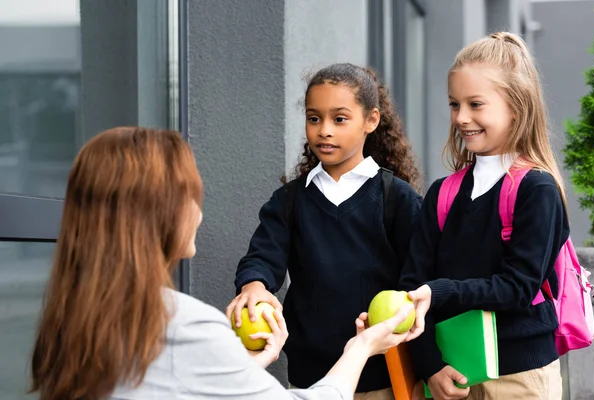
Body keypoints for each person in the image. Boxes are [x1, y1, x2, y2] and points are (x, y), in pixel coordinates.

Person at [29, 127, 420, 400]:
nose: (199, 212)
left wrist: (244, 368)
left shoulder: (70, 322)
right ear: (162, 214)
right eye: (192, 196)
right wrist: (362, 346)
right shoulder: (182, 325)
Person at [227, 63, 423, 399]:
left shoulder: (397, 199)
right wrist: (254, 286)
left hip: (383, 379)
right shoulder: (290, 201)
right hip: (308, 381)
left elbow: (419, 281)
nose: (324, 130)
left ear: (371, 121)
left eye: (339, 119)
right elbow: (263, 254)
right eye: (314, 118)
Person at [402, 32, 566, 400]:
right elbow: (412, 286)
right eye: (453, 104)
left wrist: (438, 290)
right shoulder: (442, 194)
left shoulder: (536, 189)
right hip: (450, 375)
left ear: (516, 107)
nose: (461, 118)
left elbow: (518, 287)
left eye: (476, 104)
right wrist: (430, 367)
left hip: (519, 377)